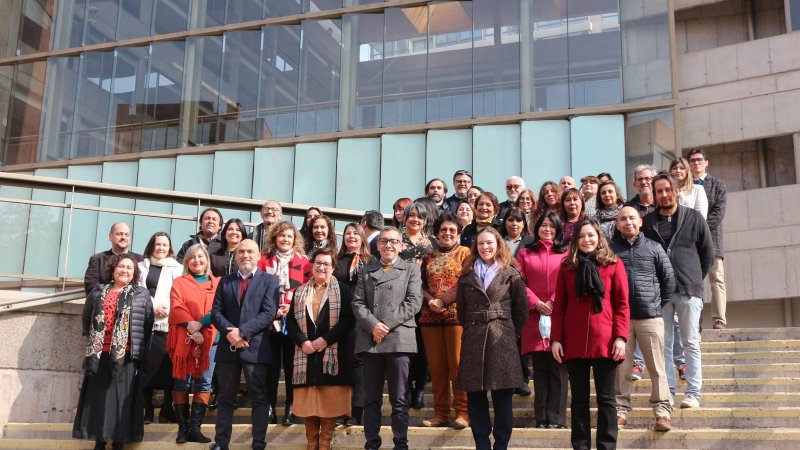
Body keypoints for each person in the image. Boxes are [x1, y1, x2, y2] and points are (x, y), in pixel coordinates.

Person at [551, 220, 629, 450]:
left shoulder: (614, 264)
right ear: (576, 240)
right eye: (582, 236)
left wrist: (621, 337)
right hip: (574, 343)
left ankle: (607, 446)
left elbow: (622, 305)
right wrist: (556, 338)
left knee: (606, 400)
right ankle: (581, 446)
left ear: (599, 237)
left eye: (591, 235)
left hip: (605, 342)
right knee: (579, 401)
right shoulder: (567, 267)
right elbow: (560, 308)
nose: (587, 240)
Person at [643, 173, 714, 410]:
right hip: (660, 293)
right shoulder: (647, 222)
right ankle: (668, 393)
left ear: (676, 191)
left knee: (690, 342)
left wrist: (694, 279)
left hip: (688, 290)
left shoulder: (693, 217)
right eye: (658, 191)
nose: (663, 195)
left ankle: (693, 392)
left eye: (667, 190)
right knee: (663, 344)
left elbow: (707, 254)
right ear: (654, 195)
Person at [456, 227, 528, 450]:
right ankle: (481, 444)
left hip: (502, 339)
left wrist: (508, 333)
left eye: (489, 243)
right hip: (474, 339)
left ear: (498, 245)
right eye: (480, 244)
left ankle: (501, 445)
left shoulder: (511, 274)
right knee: (476, 398)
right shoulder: (467, 275)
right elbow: (461, 310)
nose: (485, 247)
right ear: (475, 248)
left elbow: (521, 310)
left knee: (502, 398)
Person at [352, 227, 423, 450]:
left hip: (398, 339)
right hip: (371, 340)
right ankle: (371, 443)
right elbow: (358, 303)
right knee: (371, 398)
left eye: (393, 241)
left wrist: (386, 325)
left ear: (401, 245)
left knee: (399, 399)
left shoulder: (411, 269)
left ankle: (400, 443)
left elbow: (413, 302)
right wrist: (374, 325)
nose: (388, 245)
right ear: (378, 245)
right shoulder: (366, 271)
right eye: (384, 241)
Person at [74, 255, 154, 450]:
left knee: (121, 400)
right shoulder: (97, 292)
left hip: (127, 355)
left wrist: (136, 347)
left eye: (129, 268)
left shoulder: (141, 294)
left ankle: (119, 440)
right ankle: (100, 440)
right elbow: (86, 320)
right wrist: (98, 341)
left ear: (134, 272)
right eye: (121, 267)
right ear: (113, 269)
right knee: (99, 398)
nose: (124, 270)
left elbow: (147, 323)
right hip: (100, 353)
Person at [209, 239, 279, 450]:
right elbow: (215, 312)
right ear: (235, 255)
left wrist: (243, 332)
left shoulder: (270, 281)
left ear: (258, 255)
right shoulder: (225, 281)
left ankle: (258, 443)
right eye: (241, 251)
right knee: (225, 397)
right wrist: (232, 333)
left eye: (250, 251)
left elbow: (268, 313)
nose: (245, 255)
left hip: (255, 348)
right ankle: (221, 443)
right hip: (228, 347)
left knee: (259, 397)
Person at [611, 207, 676, 432]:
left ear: (640, 221)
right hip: (621, 319)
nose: (628, 222)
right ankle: (620, 411)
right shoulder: (610, 251)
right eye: (622, 219)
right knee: (622, 368)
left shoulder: (654, 248)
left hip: (650, 316)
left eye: (632, 218)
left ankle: (662, 412)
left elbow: (669, 281)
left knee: (657, 367)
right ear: (617, 224)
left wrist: (656, 304)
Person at [286, 248, 356, 450]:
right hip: (306, 357)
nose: (322, 267)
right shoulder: (299, 291)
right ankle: (311, 444)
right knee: (309, 407)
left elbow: (349, 320)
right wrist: (302, 341)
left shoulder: (343, 291)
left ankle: (325, 445)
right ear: (312, 265)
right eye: (318, 263)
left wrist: (325, 340)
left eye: (326, 264)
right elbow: (290, 322)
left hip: (332, 358)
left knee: (328, 407)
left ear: (333, 267)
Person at [516, 211, 569, 429]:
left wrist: (554, 302)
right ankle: (541, 418)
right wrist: (536, 302)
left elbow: (569, 280)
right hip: (534, 318)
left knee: (558, 370)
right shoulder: (525, 253)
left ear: (558, 230)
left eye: (552, 226)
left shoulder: (566, 254)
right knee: (540, 371)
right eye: (543, 225)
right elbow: (519, 281)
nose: (547, 229)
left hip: (559, 316)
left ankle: (556, 419)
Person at [419, 213, 471, 429]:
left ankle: (462, 413)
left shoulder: (465, 253)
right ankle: (440, 413)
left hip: (456, 317)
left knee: (457, 366)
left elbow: (465, 281)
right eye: (443, 230)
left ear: (458, 232)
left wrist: (443, 300)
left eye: (452, 229)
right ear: (437, 232)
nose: (447, 233)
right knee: (437, 368)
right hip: (430, 318)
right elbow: (420, 284)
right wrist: (432, 301)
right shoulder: (428, 256)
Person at [258, 220, 312, 425]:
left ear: (294, 239)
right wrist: (271, 310)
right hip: (269, 322)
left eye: (289, 236)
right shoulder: (263, 261)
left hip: (295, 320)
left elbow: (308, 289)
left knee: (292, 366)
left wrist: (292, 306)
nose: (285, 239)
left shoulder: (304, 261)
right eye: (282, 235)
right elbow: (258, 290)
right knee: (270, 366)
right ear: (275, 237)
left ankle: (291, 407)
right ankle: (269, 408)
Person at [167, 244, 220, 444]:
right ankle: (183, 428)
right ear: (187, 261)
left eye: (201, 256)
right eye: (192, 257)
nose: (197, 260)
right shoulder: (180, 282)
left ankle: (195, 429)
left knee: (205, 382)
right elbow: (176, 306)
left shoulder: (217, 283)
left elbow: (219, 308)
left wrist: (200, 324)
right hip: (185, 337)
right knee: (181, 381)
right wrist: (192, 327)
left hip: (211, 340)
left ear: (207, 260)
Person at [137, 232, 183, 425]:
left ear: (170, 247)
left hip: (169, 324)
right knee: (146, 368)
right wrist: (154, 305)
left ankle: (166, 409)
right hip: (147, 322)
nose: (161, 248)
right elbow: (139, 290)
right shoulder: (141, 267)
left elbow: (180, 293)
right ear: (151, 246)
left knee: (167, 368)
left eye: (165, 245)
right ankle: (147, 411)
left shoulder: (178, 268)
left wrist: (168, 309)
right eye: (158, 244)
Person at [333, 223, 374, 426]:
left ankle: (357, 412)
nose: (351, 236)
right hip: (340, 318)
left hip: (362, 319)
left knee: (359, 364)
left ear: (362, 237)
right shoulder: (336, 261)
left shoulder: (372, 261)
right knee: (341, 364)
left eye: (355, 233)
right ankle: (341, 409)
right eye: (347, 233)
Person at [399, 202, 436, 409]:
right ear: (404, 218)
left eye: (420, 217)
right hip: (400, 301)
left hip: (425, 302)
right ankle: (404, 388)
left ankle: (419, 389)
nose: (415, 219)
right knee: (403, 346)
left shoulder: (432, 243)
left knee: (422, 348)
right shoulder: (396, 240)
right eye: (411, 215)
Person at [688, 148, 728, 329]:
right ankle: (695, 321)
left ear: (706, 162)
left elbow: (718, 213)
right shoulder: (684, 187)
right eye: (692, 160)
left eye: (699, 160)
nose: (696, 163)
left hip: (712, 240)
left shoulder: (718, 185)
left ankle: (719, 319)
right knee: (693, 281)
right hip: (689, 243)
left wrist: (699, 230)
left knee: (716, 279)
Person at [84, 222, 143, 295]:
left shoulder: (140, 260)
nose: (123, 237)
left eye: (126, 234)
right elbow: (91, 286)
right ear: (110, 236)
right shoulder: (97, 259)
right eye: (119, 234)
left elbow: (142, 286)